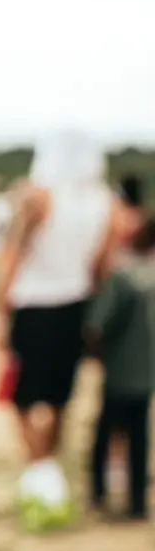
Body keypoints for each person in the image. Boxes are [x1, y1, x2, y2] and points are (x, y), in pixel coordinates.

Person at [0, 130, 116, 529]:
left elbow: (12, 254)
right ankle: (48, 470)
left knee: (21, 394)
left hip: (32, 304)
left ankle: (39, 467)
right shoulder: (105, 202)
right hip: (74, 305)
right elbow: (100, 267)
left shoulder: (38, 195)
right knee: (61, 393)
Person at [85, 217, 155, 522]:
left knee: (105, 433)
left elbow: (97, 325)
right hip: (147, 372)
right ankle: (137, 503)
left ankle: (98, 493)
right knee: (140, 436)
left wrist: (97, 353)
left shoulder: (124, 277)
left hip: (119, 370)